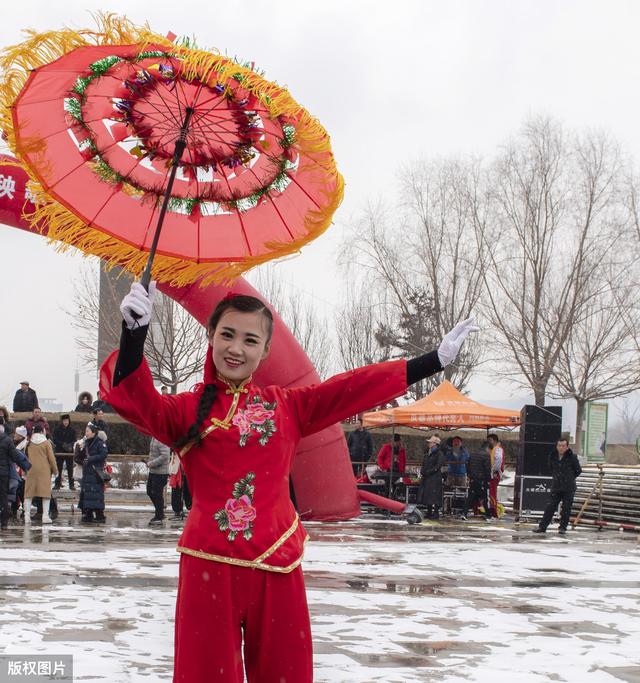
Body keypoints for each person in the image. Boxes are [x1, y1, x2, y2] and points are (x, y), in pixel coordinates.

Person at [99, 281, 478, 682]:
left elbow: (350, 388)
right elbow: (136, 399)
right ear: (210, 337)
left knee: (286, 674)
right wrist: (133, 335)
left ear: (264, 351)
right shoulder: (186, 410)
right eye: (226, 334)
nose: (236, 348)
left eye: (250, 339)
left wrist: (430, 361)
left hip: (278, 563)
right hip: (208, 564)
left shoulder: (287, 406)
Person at [533, 438, 582, 535]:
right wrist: (557, 477)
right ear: (556, 446)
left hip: (568, 488)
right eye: (559, 445)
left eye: (563, 446)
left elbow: (578, 470)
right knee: (550, 507)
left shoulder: (572, 457)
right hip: (556, 486)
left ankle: (562, 528)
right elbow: (551, 468)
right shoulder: (553, 456)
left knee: (566, 508)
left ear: (567, 447)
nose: (561, 448)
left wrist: (569, 478)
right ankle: (542, 527)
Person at [0, 417, 31, 530]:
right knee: (3, 496)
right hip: (4, 473)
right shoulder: (7, 440)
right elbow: (15, 456)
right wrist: (26, 466)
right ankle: (3, 523)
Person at [23, 424, 58, 524]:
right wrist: (55, 471)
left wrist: (25, 470)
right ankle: (45, 516)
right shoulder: (46, 442)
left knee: (29, 494)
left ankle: (27, 516)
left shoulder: (29, 442)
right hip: (44, 470)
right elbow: (51, 459)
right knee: (45, 494)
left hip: (31, 470)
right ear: (42, 431)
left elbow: (25, 457)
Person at [78, 423, 108, 524]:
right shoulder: (85, 442)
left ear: (93, 432)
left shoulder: (99, 442)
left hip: (96, 472)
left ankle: (100, 514)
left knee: (96, 493)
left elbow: (104, 454)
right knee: (88, 493)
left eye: (88, 431)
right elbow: (81, 457)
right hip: (87, 472)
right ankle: (88, 513)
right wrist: (80, 449)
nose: (86, 433)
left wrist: (91, 459)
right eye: (85, 431)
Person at [462, 442, 492, 521]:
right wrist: (488, 480)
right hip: (482, 480)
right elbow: (487, 469)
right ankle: (488, 514)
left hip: (473, 479)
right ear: (488, 448)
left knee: (470, 497)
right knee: (485, 498)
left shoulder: (472, 454)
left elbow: (467, 465)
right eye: (490, 450)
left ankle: (464, 513)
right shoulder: (486, 455)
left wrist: (469, 475)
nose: (490, 452)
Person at [145, 436, 171, 525]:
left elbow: (165, 455)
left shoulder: (162, 438)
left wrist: (152, 463)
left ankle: (159, 516)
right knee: (149, 491)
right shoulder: (154, 437)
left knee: (157, 493)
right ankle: (160, 512)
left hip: (161, 473)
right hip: (153, 471)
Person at [417, 435, 444, 519]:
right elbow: (424, 462)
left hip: (435, 478)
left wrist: (428, 472)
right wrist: (423, 471)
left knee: (435, 496)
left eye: (430, 442)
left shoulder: (439, 454)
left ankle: (435, 513)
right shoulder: (428, 452)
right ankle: (429, 512)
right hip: (427, 477)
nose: (428, 443)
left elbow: (438, 466)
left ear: (435, 444)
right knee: (427, 495)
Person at [52, 414, 77, 490]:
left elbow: (74, 440)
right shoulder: (57, 429)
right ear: (62, 421)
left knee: (70, 469)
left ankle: (71, 484)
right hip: (59, 451)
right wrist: (62, 444)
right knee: (58, 468)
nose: (66, 422)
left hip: (69, 452)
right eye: (64, 421)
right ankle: (57, 484)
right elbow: (55, 439)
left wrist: (69, 445)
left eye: (67, 421)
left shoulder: (72, 430)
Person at [487, 433, 504, 518]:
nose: (488, 442)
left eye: (490, 440)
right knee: (491, 492)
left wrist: (494, 470)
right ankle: (491, 509)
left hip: (495, 474)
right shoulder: (495, 448)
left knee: (492, 492)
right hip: (494, 473)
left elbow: (499, 460)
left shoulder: (497, 449)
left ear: (494, 440)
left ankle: (493, 511)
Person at [169, 456, 192, 520]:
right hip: (180, 470)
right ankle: (179, 511)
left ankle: (178, 512)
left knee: (178, 492)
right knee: (182, 492)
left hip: (180, 471)